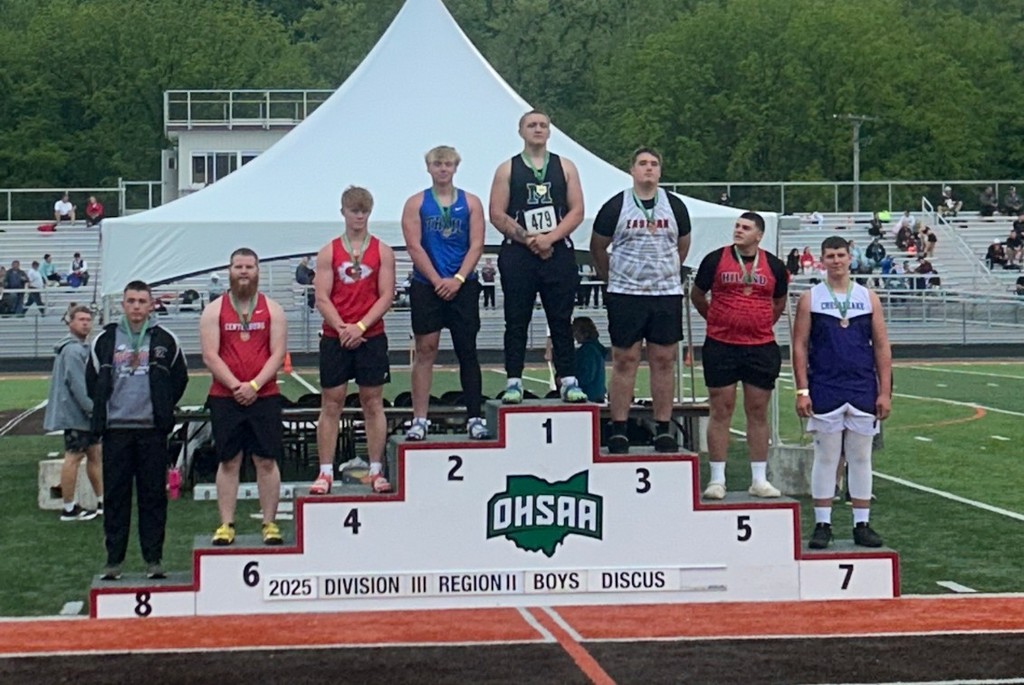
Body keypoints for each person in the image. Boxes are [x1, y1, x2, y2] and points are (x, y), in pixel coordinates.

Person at [792, 236, 892, 549]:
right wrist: (802, 389)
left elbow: (882, 346)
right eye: (830, 256)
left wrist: (885, 391)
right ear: (822, 260)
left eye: (840, 255)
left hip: (862, 385)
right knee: (826, 456)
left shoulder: (868, 297)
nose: (836, 261)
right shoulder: (810, 298)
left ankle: (862, 524)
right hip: (825, 384)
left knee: (861, 457)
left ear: (850, 258)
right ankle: (822, 523)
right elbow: (799, 345)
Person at [590, 147, 691, 452]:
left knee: (663, 360)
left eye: (654, 164)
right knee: (625, 360)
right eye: (643, 164)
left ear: (660, 171)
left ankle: (663, 427)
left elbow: (682, 245)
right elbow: (598, 247)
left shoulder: (674, 205)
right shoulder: (616, 205)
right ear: (632, 170)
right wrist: (612, 279)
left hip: (665, 294)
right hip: (626, 294)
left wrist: (665, 272)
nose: (649, 168)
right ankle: (619, 427)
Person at [87, 281, 188, 581]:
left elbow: (179, 379)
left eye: (142, 301)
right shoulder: (105, 340)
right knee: (116, 498)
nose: (136, 306)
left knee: (153, 497)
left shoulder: (165, 339)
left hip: (151, 431)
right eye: (131, 301)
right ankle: (113, 561)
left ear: (151, 305)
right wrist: (106, 411)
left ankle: (153, 559)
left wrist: (162, 407)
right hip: (116, 431)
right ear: (123, 305)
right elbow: (93, 381)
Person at [488, 109, 587, 404]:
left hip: (557, 251)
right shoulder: (507, 169)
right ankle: (514, 381)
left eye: (543, 125)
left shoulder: (565, 166)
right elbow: (496, 213)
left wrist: (549, 238)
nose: (538, 129)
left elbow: (577, 210)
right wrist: (528, 238)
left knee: (561, 318)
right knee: (516, 319)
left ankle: (568, 379)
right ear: (521, 131)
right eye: (532, 125)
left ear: (550, 131)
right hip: (519, 253)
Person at [691, 212, 788, 499]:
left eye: (746, 227)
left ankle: (759, 479)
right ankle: (717, 479)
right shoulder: (715, 259)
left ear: (759, 235)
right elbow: (698, 295)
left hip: (760, 346)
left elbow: (779, 302)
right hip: (721, 344)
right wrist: (716, 319)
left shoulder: (774, 265)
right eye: (737, 226)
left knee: (757, 411)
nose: (738, 230)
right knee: (721, 409)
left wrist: (759, 323)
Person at [311, 186, 396, 495]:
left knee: (372, 402)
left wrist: (360, 327)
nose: (359, 216)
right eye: (354, 211)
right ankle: (325, 472)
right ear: (343, 212)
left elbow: (386, 295)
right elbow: (322, 296)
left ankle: (375, 470)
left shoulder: (382, 251)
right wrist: (342, 327)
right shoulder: (329, 251)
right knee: (331, 403)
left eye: (364, 211)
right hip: (335, 337)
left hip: (370, 336)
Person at [201, 248, 286, 546]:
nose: (244, 272)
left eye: (249, 266)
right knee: (229, 461)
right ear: (229, 270)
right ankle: (226, 524)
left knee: (266, 460)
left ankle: (269, 523)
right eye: (239, 266)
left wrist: (255, 386)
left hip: (265, 396)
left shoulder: (273, 310)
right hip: (226, 397)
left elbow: (278, 354)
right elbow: (210, 356)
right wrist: (237, 386)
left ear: (258, 270)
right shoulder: (214, 311)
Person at [402, 146, 487, 441]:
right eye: (437, 164)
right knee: (426, 350)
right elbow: (414, 245)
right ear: (428, 167)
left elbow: (477, 244)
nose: (442, 169)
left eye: (448, 164)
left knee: (467, 350)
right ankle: (420, 419)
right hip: (428, 285)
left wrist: (459, 278)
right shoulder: (416, 203)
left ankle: (474, 416)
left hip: (463, 284)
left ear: (455, 167)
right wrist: (437, 279)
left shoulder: (471, 202)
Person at [43, 305, 104, 521]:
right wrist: (94, 410)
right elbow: (79, 385)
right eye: (81, 319)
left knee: (94, 455)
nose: (86, 323)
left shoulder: (77, 348)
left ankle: (101, 502)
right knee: (74, 457)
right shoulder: (73, 351)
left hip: (82, 415)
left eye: (88, 319)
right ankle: (68, 508)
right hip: (77, 416)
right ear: (70, 322)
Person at [571, 317, 606, 403]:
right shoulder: (596, 348)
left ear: (585, 333)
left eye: (575, 331)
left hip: (588, 395)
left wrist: (572, 381)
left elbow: (587, 376)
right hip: (597, 394)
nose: (574, 335)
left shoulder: (587, 351)